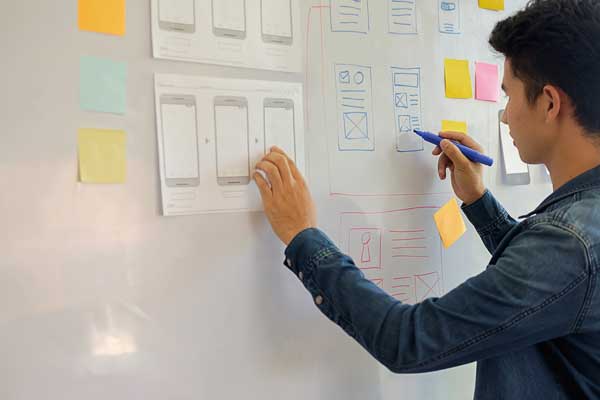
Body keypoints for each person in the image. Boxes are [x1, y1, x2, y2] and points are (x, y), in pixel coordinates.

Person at [254, 0, 600, 398]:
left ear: (550, 103)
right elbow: (554, 287)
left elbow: (409, 340)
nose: (504, 116)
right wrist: (478, 201)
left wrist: (303, 237)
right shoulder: (576, 236)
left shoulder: (568, 245)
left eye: (509, 96)